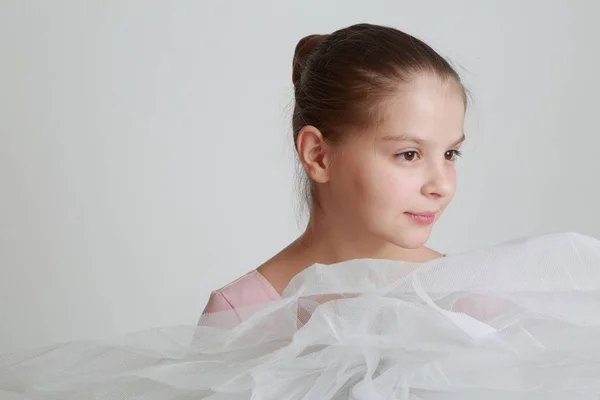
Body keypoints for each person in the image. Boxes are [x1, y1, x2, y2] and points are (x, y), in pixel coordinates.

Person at [202, 23, 467, 319]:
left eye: (449, 154)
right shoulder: (240, 315)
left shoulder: (468, 298)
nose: (442, 186)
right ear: (318, 155)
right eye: (408, 154)